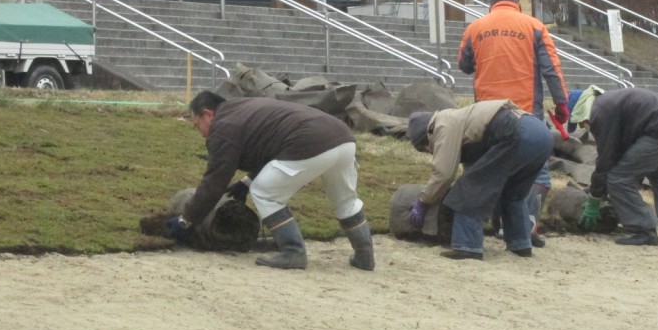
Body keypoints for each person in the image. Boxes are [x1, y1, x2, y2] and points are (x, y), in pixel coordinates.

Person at [169, 91, 374, 271]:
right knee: (345, 200)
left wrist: (186, 220)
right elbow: (269, 147)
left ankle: (293, 251)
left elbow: (214, 182)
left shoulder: (223, 127)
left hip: (310, 142)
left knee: (265, 192)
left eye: (198, 125)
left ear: (208, 114)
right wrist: (246, 182)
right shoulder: (241, 109)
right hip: (344, 139)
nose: (201, 132)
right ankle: (365, 256)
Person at [458, 0, 569, 232]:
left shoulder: (474, 28)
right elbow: (551, 69)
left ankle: (496, 225)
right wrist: (562, 105)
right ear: (517, 4)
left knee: (494, 169)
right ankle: (525, 226)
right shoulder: (535, 27)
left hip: (487, 115)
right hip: (527, 113)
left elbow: (464, 65)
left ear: (491, 5)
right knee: (537, 173)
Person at [405, 99, 553, 260]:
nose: (430, 152)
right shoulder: (463, 121)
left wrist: (423, 201)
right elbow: (477, 171)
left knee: (468, 190)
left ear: (427, 136)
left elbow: (444, 174)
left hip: (514, 131)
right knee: (512, 195)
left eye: (426, 149)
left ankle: (468, 246)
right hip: (541, 135)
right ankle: (521, 244)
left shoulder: (443, 124)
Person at [568, 86, 658, 246]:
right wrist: (597, 189)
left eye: (579, 122)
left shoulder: (600, 112)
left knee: (619, 178)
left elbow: (606, 160)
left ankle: (645, 230)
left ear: (580, 110)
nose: (582, 126)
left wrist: (595, 198)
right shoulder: (609, 102)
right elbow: (622, 154)